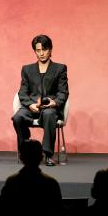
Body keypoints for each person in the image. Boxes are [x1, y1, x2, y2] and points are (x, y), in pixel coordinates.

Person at [12, 35, 69, 166]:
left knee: (49, 114)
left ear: (50, 50)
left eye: (44, 49)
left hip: (50, 108)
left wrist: (55, 102)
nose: (41, 53)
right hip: (32, 107)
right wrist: (30, 104)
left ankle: (48, 154)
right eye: (38, 50)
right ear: (35, 51)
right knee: (17, 117)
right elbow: (22, 92)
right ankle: (25, 149)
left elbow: (63, 92)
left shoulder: (60, 69)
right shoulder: (27, 69)